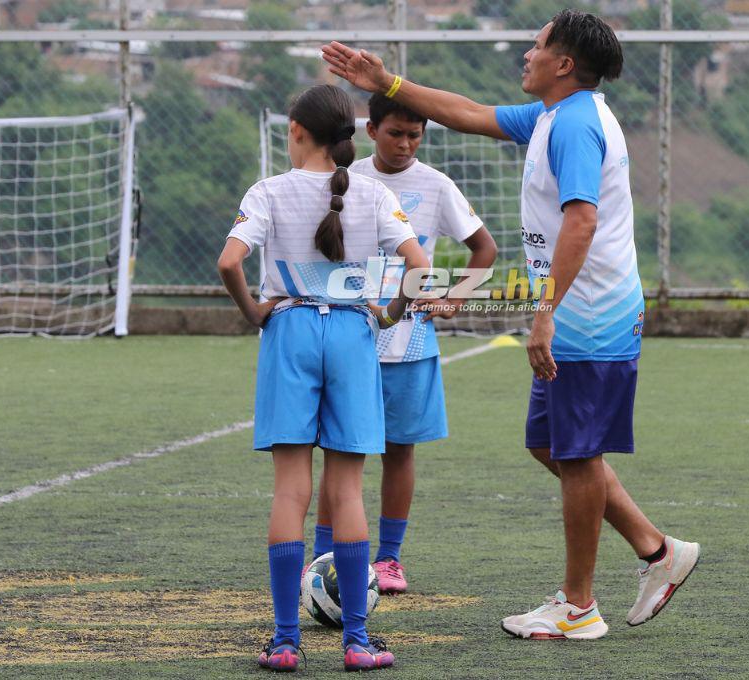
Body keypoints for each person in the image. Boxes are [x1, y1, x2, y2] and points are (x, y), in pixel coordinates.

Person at [322, 9, 700, 640]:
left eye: (538, 44)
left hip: (589, 314)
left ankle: (577, 607)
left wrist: (544, 313)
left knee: (577, 454)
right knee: (549, 445)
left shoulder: (577, 123)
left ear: (565, 63)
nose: (527, 53)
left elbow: (582, 222)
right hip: (579, 311)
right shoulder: (554, 114)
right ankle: (657, 551)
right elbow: (466, 112)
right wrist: (385, 83)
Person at [217, 84, 429, 671]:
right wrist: (388, 314)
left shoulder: (268, 191)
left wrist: (254, 312)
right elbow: (420, 265)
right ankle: (357, 642)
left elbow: (230, 261)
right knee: (348, 489)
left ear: (296, 131)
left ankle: (285, 643)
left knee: (291, 488)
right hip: (353, 334)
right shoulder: (374, 192)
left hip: (290, 329)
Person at [310, 93, 498, 595]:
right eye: (396, 133)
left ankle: (389, 560)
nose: (406, 144)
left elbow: (485, 248)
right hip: (349, 337)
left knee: (399, 450)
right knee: (339, 450)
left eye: (416, 135)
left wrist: (455, 299)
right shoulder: (346, 179)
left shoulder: (435, 185)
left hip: (410, 343)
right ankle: (323, 556)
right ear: (371, 130)